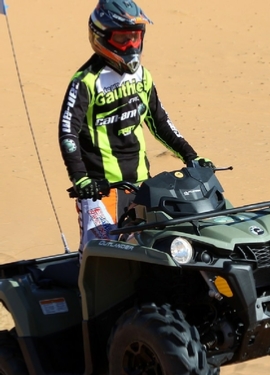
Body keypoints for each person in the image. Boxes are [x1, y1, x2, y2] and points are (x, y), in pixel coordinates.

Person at [58, 0, 214, 259]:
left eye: (135, 37)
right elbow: (67, 132)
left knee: (154, 254)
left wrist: (191, 156)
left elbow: (160, 122)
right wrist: (80, 178)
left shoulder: (142, 76)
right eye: (122, 38)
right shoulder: (86, 81)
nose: (131, 45)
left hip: (144, 188)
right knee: (100, 260)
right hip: (100, 192)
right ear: (101, 37)